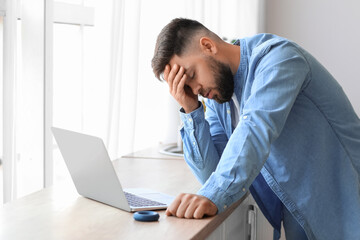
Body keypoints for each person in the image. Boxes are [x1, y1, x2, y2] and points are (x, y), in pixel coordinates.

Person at [151, 18, 360, 240]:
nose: (196, 89)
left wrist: (213, 195)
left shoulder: (279, 60)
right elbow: (212, 172)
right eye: (185, 86)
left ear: (208, 46)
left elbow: (256, 128)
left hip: (348, 214)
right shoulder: (219, 98)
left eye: (191, 76)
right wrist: (191, 108)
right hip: (303, 222)